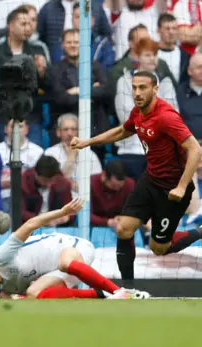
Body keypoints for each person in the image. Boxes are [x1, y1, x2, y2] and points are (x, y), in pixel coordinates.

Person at [71, 71, 202, 280]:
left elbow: (195, 149)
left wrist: (182, 186)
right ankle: (126, 289)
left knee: (159, 248)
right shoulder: (138, 112)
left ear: (155, 89)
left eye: (143, 88)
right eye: (134, 88)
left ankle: (199, 231)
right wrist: (88, 142)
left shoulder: (166, 116)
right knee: (123, 228)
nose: (137, 93)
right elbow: (122, 131)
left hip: (172, 189)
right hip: (150, 181)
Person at [0, 198, 150, 300]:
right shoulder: (6, 287)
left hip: (71, 248)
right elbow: (20, 295)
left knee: (65, 263)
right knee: (33, 294)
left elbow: (30, 224)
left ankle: (120, 291)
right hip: (58, 272)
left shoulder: (0, 257)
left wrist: (62, 212)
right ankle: (100, 294)